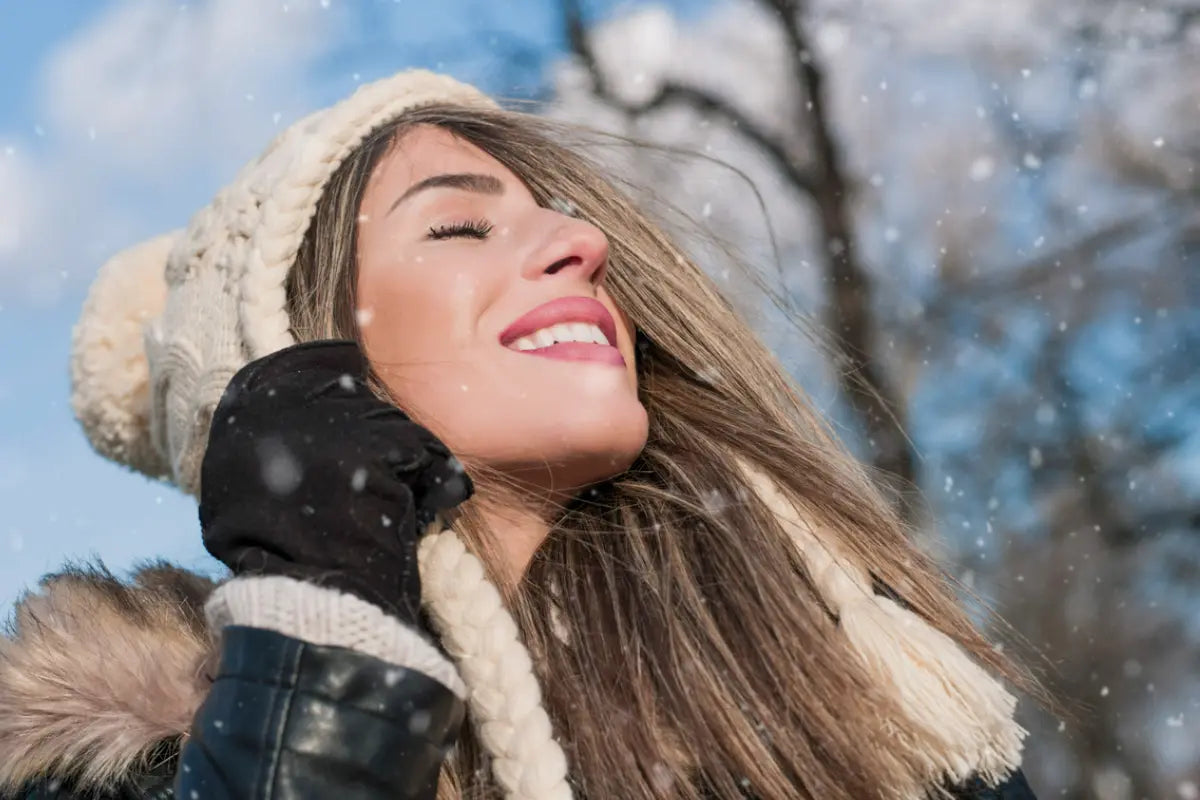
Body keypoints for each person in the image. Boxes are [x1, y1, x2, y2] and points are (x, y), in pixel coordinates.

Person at [0, 69, 1040, 800]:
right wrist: (321, 648)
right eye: (458, 225)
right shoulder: (125, 756)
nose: (582, 242)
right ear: (295, 353)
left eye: (564, 215)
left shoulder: (852, 677)